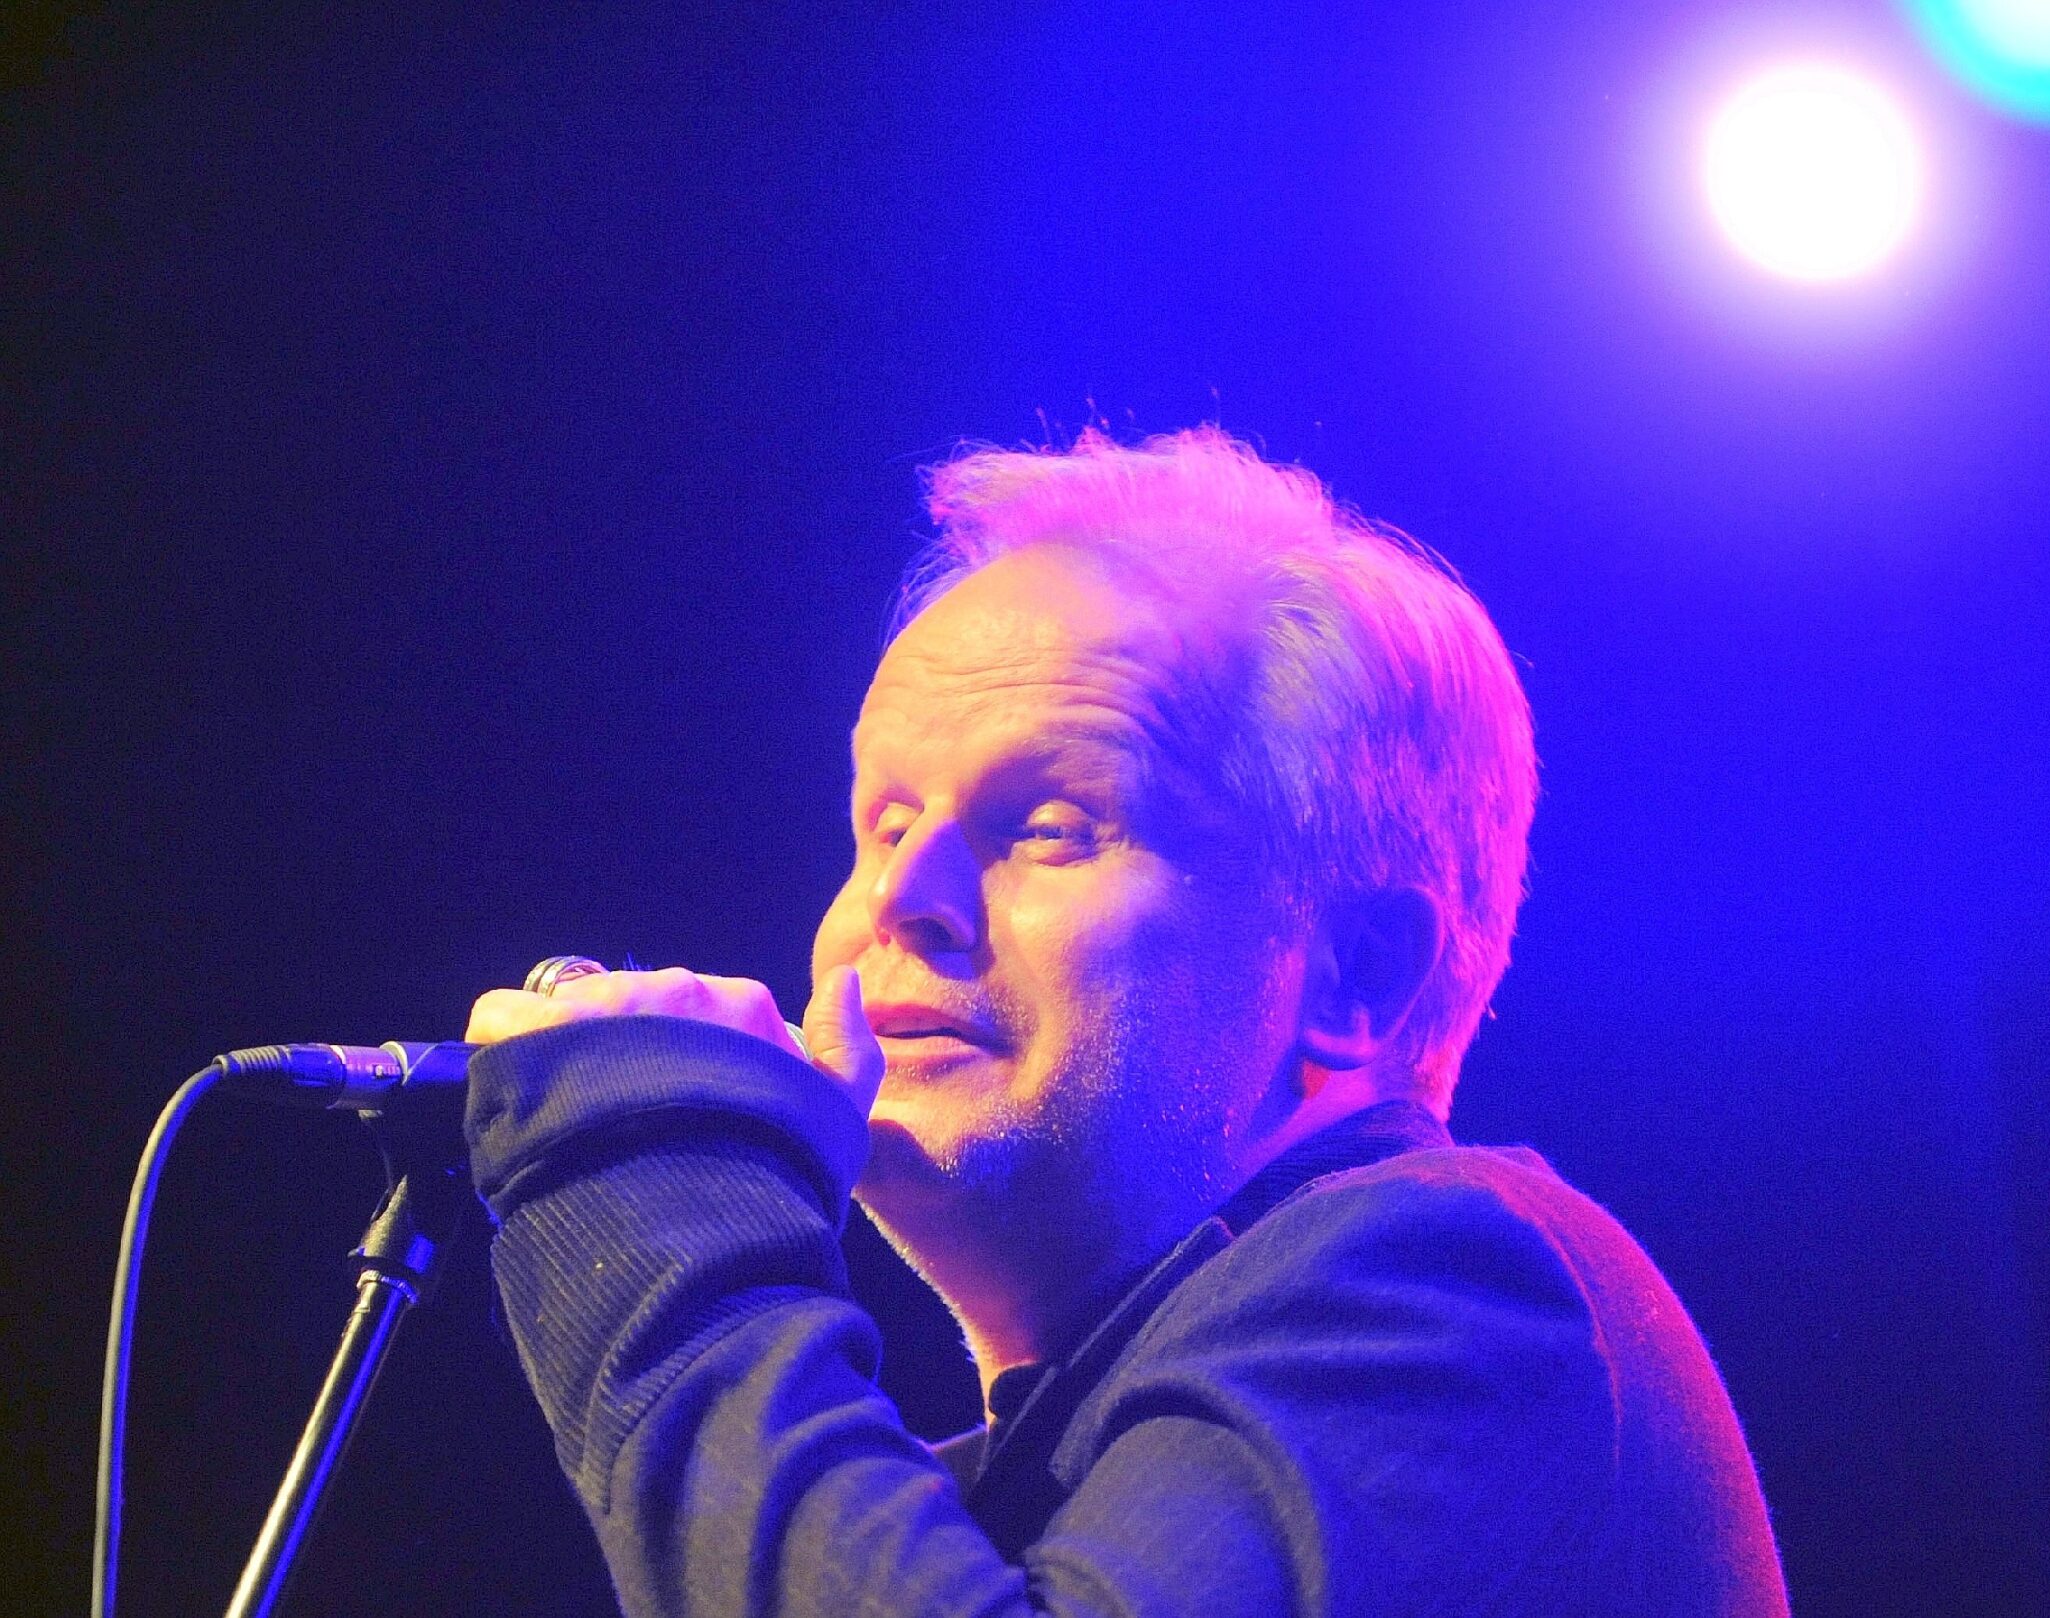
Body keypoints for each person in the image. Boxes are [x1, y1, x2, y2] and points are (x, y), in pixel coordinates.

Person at [459, 427, 1790, 1617]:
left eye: (1048, 826)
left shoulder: (1453, 1291)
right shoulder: (979, 1506)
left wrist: (664, 1207)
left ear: (1355, 973)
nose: (898, 904)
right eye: (883, 823)